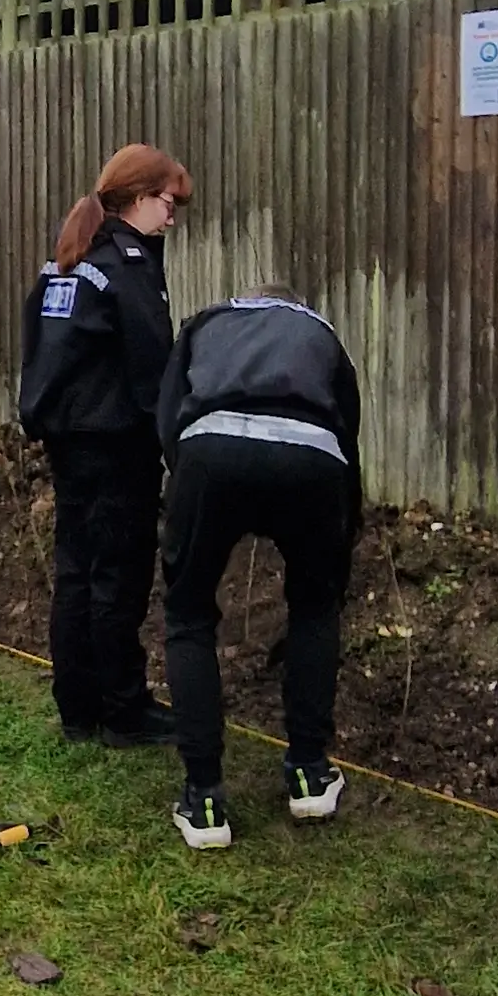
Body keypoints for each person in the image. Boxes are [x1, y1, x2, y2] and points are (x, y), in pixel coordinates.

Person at [154, 281, 364, 851]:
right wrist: (344, 529)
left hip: (210, 454)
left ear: (244, 301)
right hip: (311, 460)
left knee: (189, 613)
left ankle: (203, 803)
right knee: (316, 606)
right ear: (294, 305)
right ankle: (309, 774)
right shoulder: (320, 332)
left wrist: (191, 487)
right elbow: (347, 430)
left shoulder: (204, 324)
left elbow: (168, 413)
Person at [18, 145, 191, 746]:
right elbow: (151, 364)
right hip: (118, 447)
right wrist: (174, 439)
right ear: (139, 198)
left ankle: (78, 706)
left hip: (70, 443)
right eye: (168, 203)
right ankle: (124, 710)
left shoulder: (66, 260)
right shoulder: (128, 264)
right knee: (117, 578)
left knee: (76, 573)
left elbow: (39, 351)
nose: (171, 218)